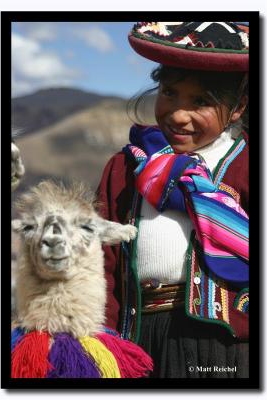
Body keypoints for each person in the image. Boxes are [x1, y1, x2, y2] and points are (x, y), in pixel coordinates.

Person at [97, 21, 249, 378]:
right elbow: (100, 258)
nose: (179, 114)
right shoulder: (126, 167)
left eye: (201, 102)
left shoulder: (246, 165)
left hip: (227, 347)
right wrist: (99, 336)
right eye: (169, 93)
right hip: (135, 340)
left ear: (239, 106)